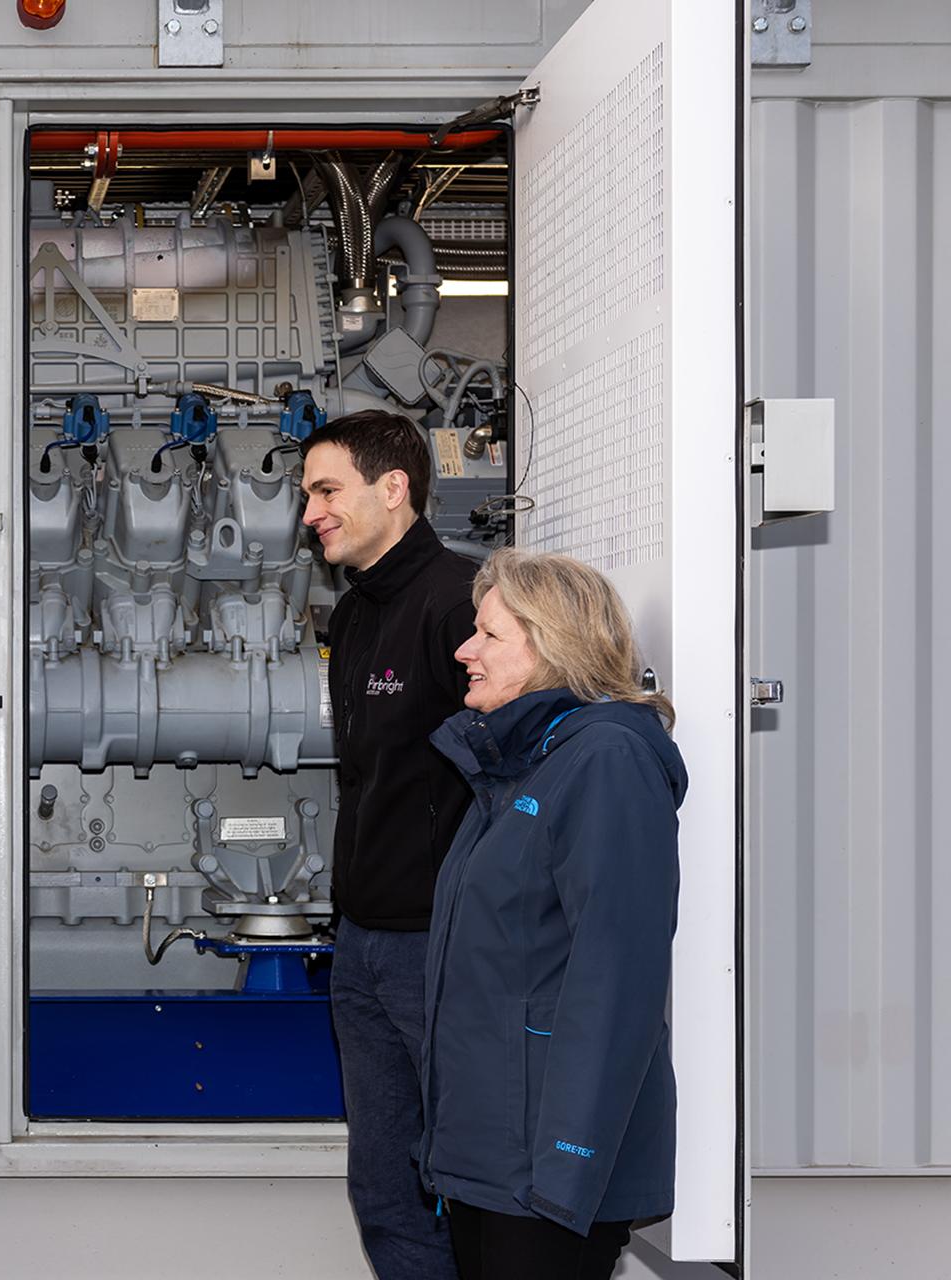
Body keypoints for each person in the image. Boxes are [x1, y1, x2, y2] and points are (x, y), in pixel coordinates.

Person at [420, 549, 686, 1280]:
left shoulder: (605, 762)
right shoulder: (518, 766)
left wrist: (567, 1168)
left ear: (554, 646)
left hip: (544, 1175)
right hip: (489, 1159)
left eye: (489, 635)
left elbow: (616, 978)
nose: (464, 650)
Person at [301, 409, 475, 1279]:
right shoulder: (356, 619)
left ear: (394, 487)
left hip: (440, 951)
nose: (311, 513)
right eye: (307, 495)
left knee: (472, 1183)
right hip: (364, 949)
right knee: (383, 1191)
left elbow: (510, 780)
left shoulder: (463, 604)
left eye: (327, 490)